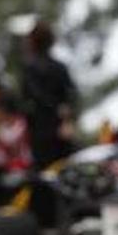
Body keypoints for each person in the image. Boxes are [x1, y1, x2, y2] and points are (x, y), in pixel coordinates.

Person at [21, 21, 77, 171]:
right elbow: (71, 97)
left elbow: (32, 98)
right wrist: (66, 117)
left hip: (41, 135)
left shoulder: (30, 70)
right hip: (61, 133)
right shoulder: (60, 68)